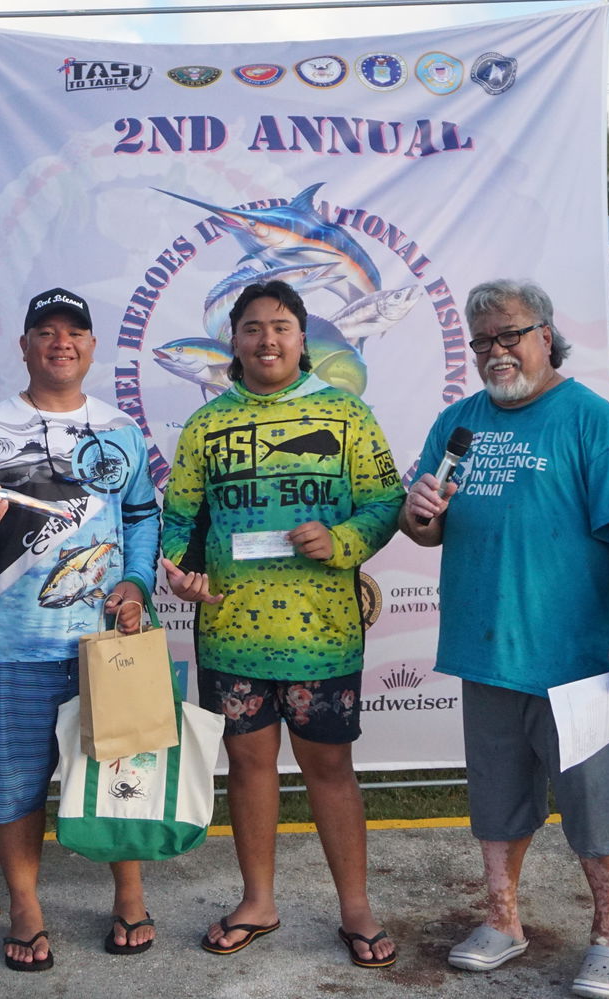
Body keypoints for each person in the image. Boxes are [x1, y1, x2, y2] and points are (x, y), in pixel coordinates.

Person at [398, 279, 609, 999]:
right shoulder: (458, 422)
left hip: (577, 662)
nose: (496, 351)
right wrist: (418, 510)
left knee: (599, 809)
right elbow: (424, 528)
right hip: (485, 652)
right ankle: (503, 920)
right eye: (482, 340)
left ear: (546, 334)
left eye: (509, 334)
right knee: (497, 803)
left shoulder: (590, 421)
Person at [159, 280, 405, 969]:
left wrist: (344, 541)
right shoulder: (206, 425)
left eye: (283, 327)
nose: (268, 340)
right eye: (253, 328)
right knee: (247, 764)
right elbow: (179, 521)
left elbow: (386, 501)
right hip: (231, 631)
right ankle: (257, 899)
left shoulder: (346, 412)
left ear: (304, 338)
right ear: (232, 341)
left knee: (330, 767)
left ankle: (355, 906)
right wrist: (179, 571)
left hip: (321, 633)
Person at [0, 287, 160, 971]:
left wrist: (139, 584)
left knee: (122, 772)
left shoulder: (120, 429)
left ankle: (129, 893)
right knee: (14, 780)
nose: (61, 342)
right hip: (14, 643)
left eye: (75, 332)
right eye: (47, 331)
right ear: (25, 346)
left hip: (107, 644)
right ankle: (27, 906)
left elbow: (144, 517)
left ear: (91, 347)